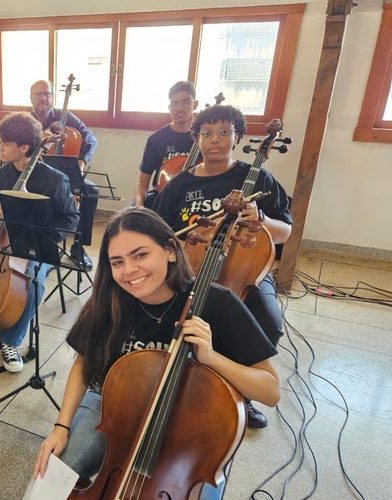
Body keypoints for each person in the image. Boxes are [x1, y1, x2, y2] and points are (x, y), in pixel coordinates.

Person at [32, 207, 280, 497]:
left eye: (140, 255)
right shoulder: (109, 299)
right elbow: (83, 362)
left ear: (170, 250)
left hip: (188, 425)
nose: (129, 271)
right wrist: (61, 426)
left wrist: (212, 358)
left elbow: (270, 392)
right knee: (51, 480)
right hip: (111, 405)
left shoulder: (217, 302)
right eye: (117, 262)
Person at [154, 104, 292, 429]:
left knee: (267, 323)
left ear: (237, 136)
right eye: (206, 133)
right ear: (196, 139)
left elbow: (285, 231)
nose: (214, 140)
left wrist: (261, 219)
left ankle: (243, 391)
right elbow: (160, 233)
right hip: (191, 268)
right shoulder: (179, 185)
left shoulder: (256, 177)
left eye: (223, 132)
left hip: (245, 270)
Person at [0, 112, 79, 373]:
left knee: (33, 284)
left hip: (36, 247)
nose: (1, 147)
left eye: (6, 143)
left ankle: (10, 341)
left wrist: (43, 240)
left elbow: (71, 218)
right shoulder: (0, 176)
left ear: (24, 147)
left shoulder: (54, 179)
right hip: (0, 242)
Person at [30, 80, 97, 270]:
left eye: (47, 93)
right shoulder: (26, 120)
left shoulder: (64, 116)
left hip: (63, 176)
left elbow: (90, 138)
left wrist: (82, 160)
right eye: (38, 94)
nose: (43, 98)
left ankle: (79, 246)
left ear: (52, 95)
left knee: (90, 190)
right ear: (31, 98)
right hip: (35, 176)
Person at [135, 81, 199, 208]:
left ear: (195, 104)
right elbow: (142, 182)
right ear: (169, 108)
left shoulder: (204, 138)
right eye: (174, 103)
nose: (180, 108)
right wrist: (139, 203)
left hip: (195, 201)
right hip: (161, 198)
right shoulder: (156, 139)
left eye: (186, 102)